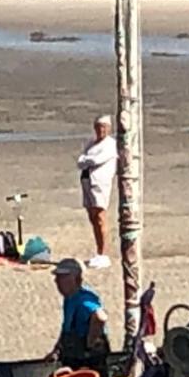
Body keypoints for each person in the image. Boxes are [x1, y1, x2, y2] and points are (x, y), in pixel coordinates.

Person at [47, 258, 110, 374]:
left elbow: (100, 317)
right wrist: (57, 349)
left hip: (87, 360)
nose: (56, 281)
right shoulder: (69, 298)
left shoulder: (84, 299)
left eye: (62, 277)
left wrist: (90, 342)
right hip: (73, 354)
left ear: (75, 278)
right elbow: (66, 327)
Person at [76, 114, 118, 269]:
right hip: (87, 182)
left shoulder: (111, 145)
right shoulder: (91, 144)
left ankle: (104, 253)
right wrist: (86, 160)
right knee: (92, 217)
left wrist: (87, 160)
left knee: (100, 216)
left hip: (100, 184)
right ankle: (99, 252)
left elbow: (95, 160)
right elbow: (81, 161)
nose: (101, 130)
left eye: (104, 127)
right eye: (98, 127)